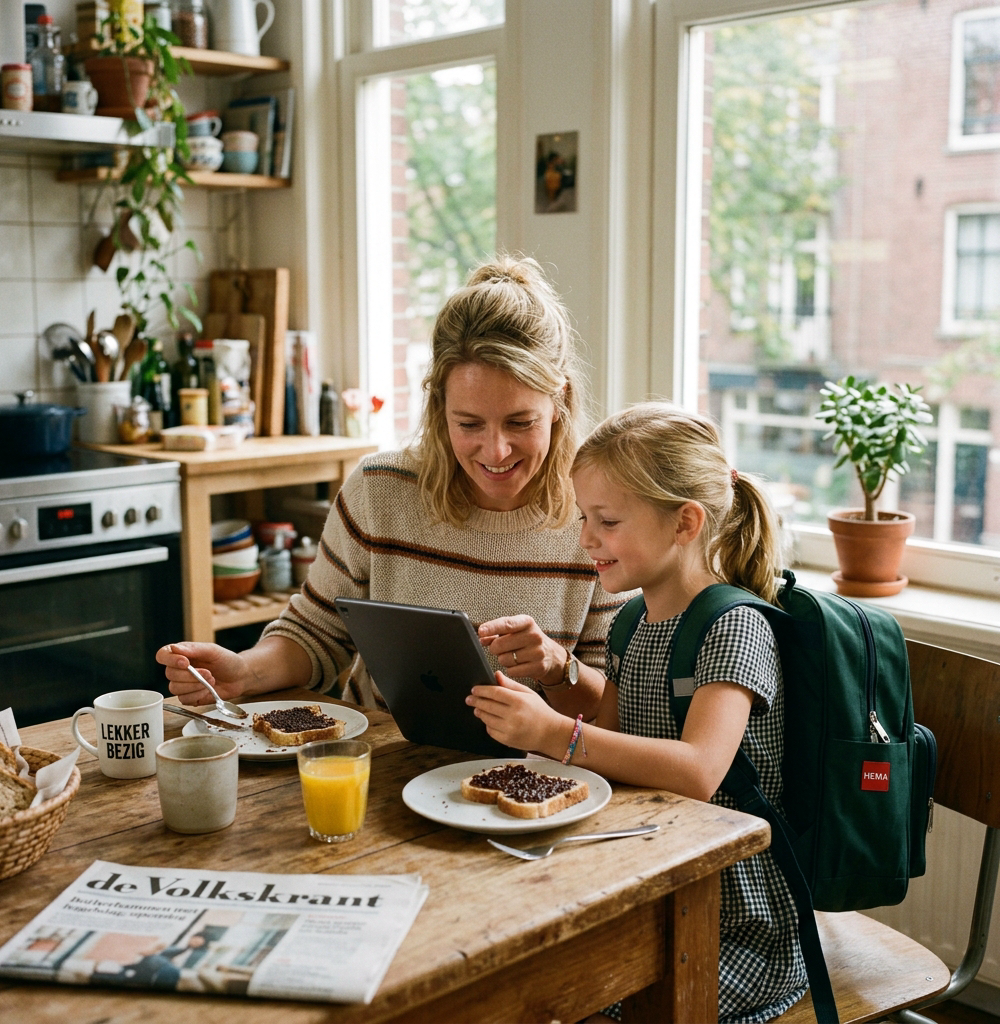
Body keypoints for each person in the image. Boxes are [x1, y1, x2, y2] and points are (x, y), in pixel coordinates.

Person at [158, 256, 631, 717]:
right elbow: (316, 633)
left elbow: (612, 711)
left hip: (535, 781)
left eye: (520, 421)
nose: (495, 451)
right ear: (438, 405)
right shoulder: (380, 490)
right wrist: (242, 671)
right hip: (384, 764)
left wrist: (556, 666)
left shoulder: (599, 515)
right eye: (468, 424)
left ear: (560, 399)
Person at [466, 402, 807, 1023]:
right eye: (583, 519)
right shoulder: (632, 622)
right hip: (650, 879)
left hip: (730, 912)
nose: (586, 539)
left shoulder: (734, 627)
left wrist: (555, 734)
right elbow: (613, 740)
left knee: (571, 999)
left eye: (607, 521)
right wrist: (550, 688)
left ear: (685, 523)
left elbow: (698, 770)